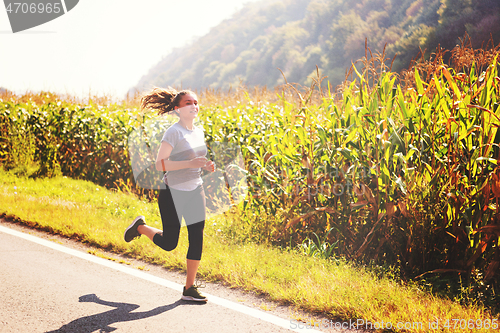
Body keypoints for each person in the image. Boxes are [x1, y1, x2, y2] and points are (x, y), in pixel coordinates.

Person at [124, 88, 215, 302]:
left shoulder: (198, 131)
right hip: (172, 193)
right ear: (177, 109)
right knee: (169, 243)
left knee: (197, 236)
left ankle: (189, 288)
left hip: (195, 189)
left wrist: (206, 166)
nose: (194, 106)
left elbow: (196, 160)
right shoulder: (173, 132)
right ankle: (140, 227)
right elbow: (159, 164)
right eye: (187, 103)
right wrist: (190, 163)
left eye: (195, 102)